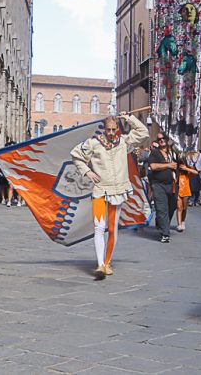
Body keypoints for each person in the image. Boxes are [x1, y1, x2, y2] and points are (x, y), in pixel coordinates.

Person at [71, 112, 149, 279]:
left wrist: (128, 118)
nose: (112, 133)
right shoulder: (93, 143)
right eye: (108, 129)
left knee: (113, 229)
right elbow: (76, 155)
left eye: (114, 129)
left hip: (118, 191)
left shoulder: (124, 142)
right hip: (100, 190)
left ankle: (107, 263)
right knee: (99, 227)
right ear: (104, 129)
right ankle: (100, 265)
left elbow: (143, 133)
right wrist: (87, 172)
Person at [148, 133, 178, 243]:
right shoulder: (155, 152)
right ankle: (165, 233)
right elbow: (153, 166)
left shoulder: (173, 152)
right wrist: (168, 165)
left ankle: (161, 223)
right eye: (159, 139)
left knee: (172, 207)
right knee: (162, 208)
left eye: (163, 138)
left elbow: (181, 163)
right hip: (158, 185)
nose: (161, 140)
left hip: (173, 185)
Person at [176, 155, 199, 232]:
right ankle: (179, 224)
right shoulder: (176, 172)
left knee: (184, 208)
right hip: (178, 191)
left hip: (186, 191)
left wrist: (186, 168)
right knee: (179, 208)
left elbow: (196, 172)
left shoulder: (187, 172)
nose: (181, 166)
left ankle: (183, 221)